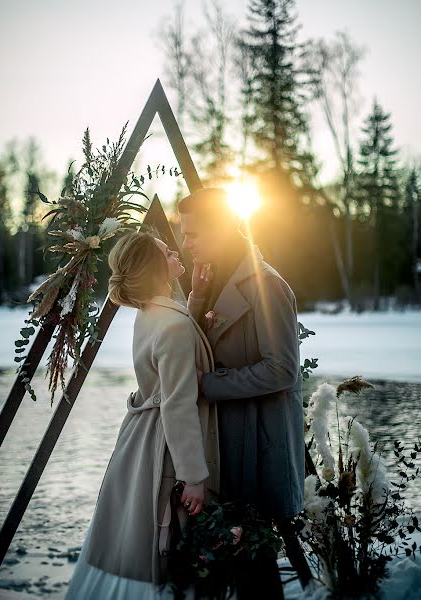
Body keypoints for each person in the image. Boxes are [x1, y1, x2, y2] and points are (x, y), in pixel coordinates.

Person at [64, 230, 220, 599]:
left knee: (133, 537)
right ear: (154, 268)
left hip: (139, 437)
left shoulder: (151, 312)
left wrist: (195, 296)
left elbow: (178, 333)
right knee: (163, 539)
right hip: (163, 445)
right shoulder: (172, 324)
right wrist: (193, 476)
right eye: (167, 252)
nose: (175, 251)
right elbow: (179, 405)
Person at [178, 187, 314, 598]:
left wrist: (208, 386)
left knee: (253, 558)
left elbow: (282, 370)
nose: (186, 243)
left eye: (193, 234)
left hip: (258, 443)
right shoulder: (216, 274)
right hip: (227, 437)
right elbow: (197, 341)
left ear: (218, 230)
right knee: (228, 557)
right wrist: (198, 295)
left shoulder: (266, 285)